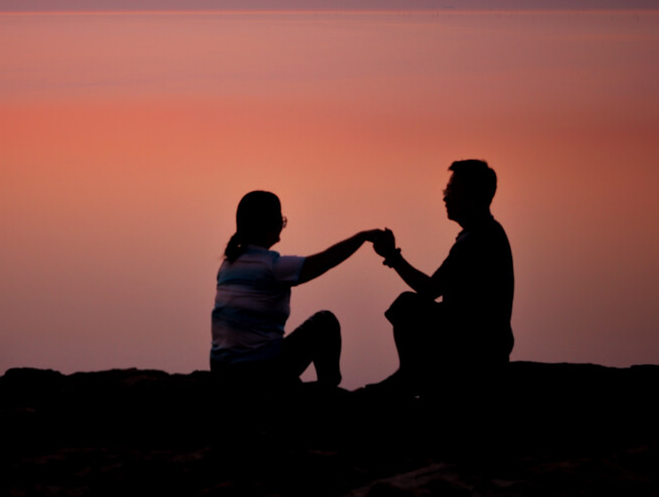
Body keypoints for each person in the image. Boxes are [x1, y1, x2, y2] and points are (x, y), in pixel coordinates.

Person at [210, 190, 385, 387]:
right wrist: (361, 238)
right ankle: (328, 387)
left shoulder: (227, 266)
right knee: (324, 322)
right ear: (271, 224)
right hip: (258, 373)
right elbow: (326, 260)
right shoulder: (272, 266)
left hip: (222, 370)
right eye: (281, 220)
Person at [374, 160, 514, 394]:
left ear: (472, 195)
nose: (445, 197)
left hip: (477, 347)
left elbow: (430, 289)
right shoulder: (484, 233)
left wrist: (393, 256)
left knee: (406, 306)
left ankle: (410, 374)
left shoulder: (478, 240)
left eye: (452, 190)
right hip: (486, 343)